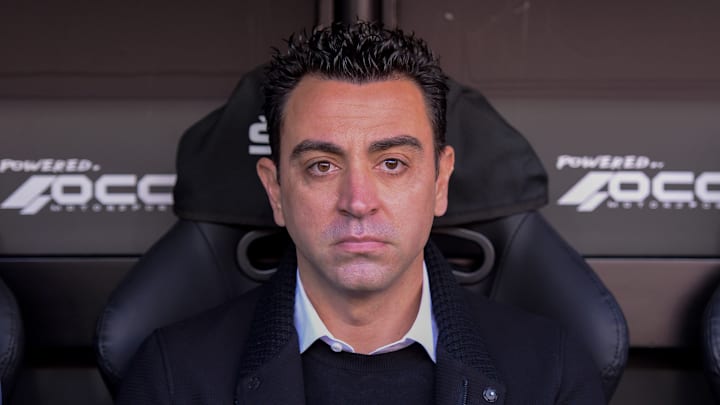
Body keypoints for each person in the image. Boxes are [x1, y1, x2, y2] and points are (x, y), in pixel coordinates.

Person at [117, 21, 604, 404]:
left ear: (440, 182)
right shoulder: (173, 378)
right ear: (275, 190)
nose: (357, 200)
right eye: (322, 165)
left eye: (392, 163)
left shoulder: (552, 373)